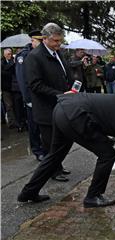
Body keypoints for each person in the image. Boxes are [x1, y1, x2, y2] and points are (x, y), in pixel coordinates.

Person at [18, 93, 115, 208]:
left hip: (62, 108)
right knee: (108, 155)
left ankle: (28, 192)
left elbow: (103, 116)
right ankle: (93, 196)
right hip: (75, 117)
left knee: (55, 155)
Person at [25, 22, 72, 181]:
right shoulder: (34, 57)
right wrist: (60, 94)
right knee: (51, 143)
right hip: (46, 108)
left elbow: (64, 74)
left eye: (60, 40)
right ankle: (53, 171)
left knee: (61, 140)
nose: (58, 44)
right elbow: (35, 85)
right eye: (55, 41)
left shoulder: (58, 53)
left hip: (61, 105)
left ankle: (58, 166)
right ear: (44, 39)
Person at [15, 30, 47, 161]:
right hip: (31, 98)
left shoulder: (41, 54)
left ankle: (45, 149)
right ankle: (37, 150)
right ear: (34, 41)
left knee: (44, 125)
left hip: (42, 96)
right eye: (39, 42)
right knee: (34, 126)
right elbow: (22, 80)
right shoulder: (24, 56)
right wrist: (28, 99)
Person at [1, 48, 17, 129]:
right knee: (9, 106)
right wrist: (11, 63)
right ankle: (11, 123)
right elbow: (3, 73)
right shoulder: (2, 62)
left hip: (14, 87)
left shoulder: (15, 60)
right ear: (4, 54)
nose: (10, 55)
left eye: (10, 53)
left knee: (16, 105)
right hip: (6, 88)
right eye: (8, 54)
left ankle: (17, 121)